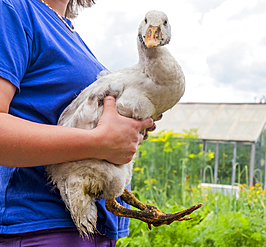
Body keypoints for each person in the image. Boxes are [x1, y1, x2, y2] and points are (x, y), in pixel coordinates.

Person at [0, 0, 155, 246]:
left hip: (87, 227)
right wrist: (100, 141)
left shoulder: (67, 31)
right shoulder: (13, 10)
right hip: (40, 226)